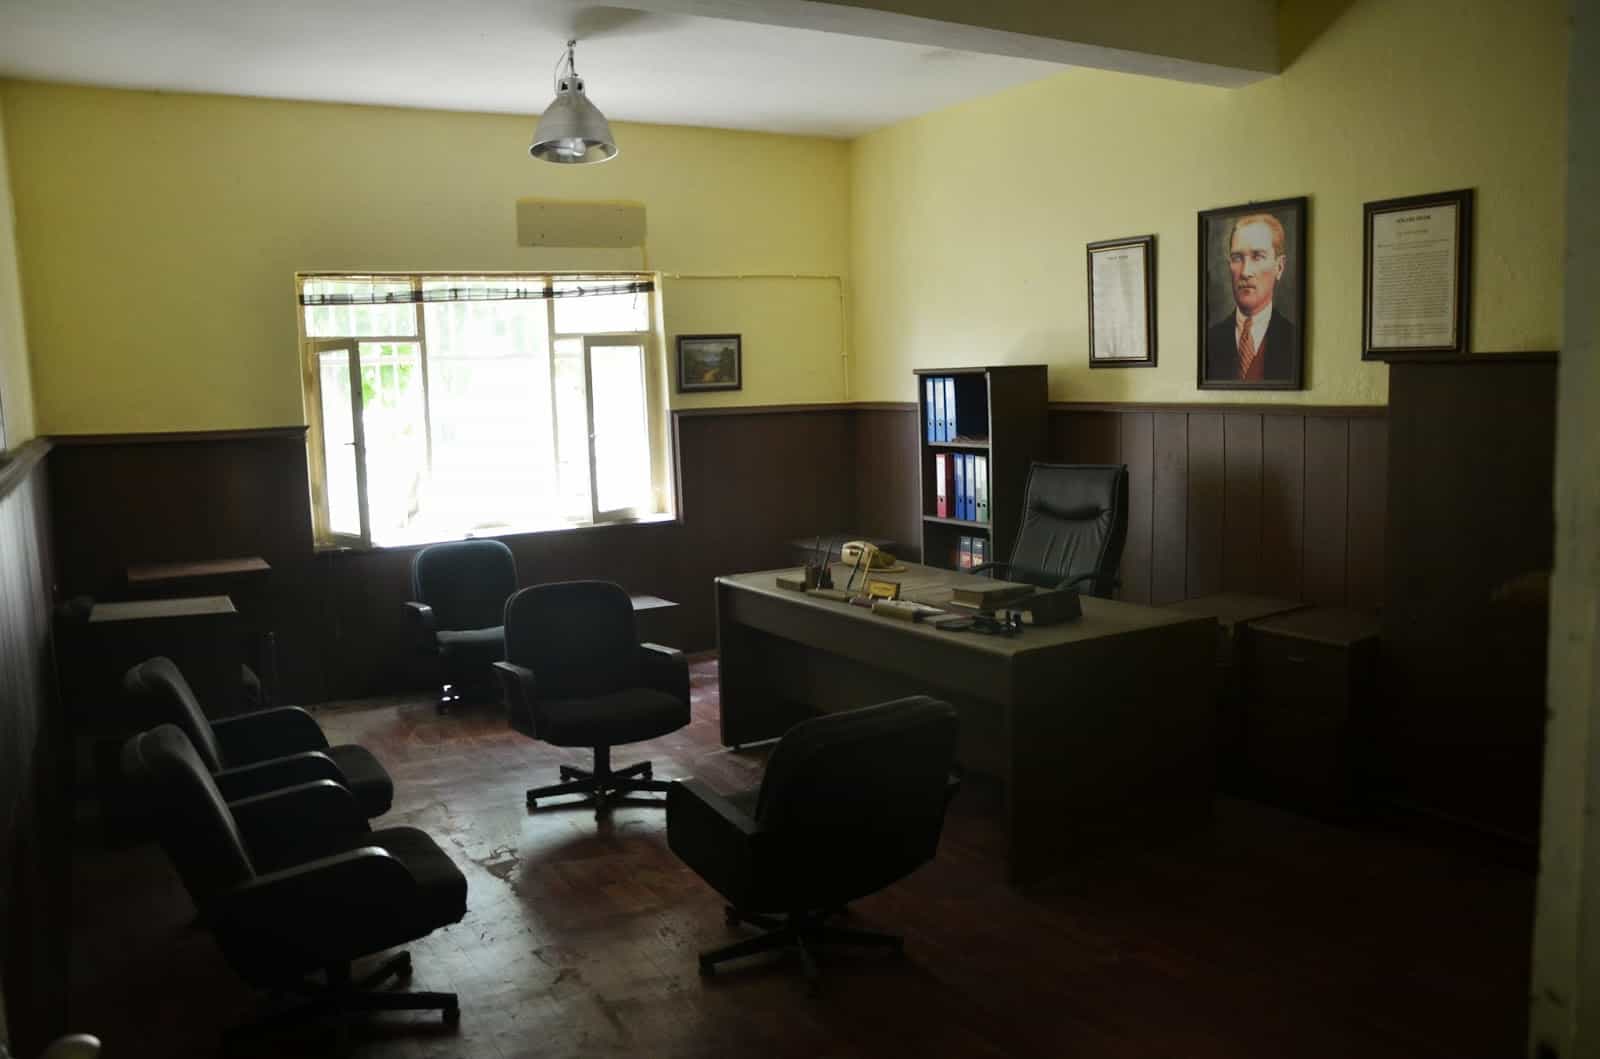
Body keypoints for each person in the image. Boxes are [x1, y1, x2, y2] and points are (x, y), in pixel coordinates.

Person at [1204, 212, 1299, 382]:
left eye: (1258, 256)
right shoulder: (1209, 340)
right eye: (1237, 258)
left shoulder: (1294, 339)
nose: (1246, 271)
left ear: (1280, 267)